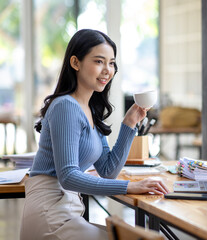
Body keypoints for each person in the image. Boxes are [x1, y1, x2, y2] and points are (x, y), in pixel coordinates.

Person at [20, 29, 169, 240]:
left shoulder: (90, 109)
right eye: (99, 61)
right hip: (50, 214)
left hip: (67, 211)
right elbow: (69, 176)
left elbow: (108, 170)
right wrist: (131, 186)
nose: (107, 70)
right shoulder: (65, 106)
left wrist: (129, 124)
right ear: (75, 63)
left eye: (111, 63)